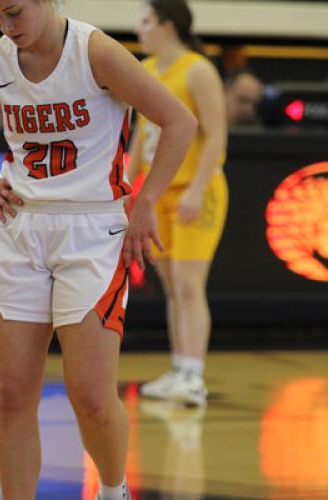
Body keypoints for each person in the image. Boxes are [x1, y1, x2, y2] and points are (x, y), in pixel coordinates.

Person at [0, 1, 196, 499]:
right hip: (19, 226)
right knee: (12, 392)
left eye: (14, 12)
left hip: (93, 228)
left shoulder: (95, 51)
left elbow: (178, 121)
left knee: (92, 397)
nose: (6, 26)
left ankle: (112, 489)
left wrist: (146, 201)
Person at [129, 0, 228, 407]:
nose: (140, 29)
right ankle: (179, 368)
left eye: (146, 21)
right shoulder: (146, 70)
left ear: (168, 26)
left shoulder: (198, 69)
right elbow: (140, 137)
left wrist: (197, 187)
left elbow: (217, 136)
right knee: (171, 287)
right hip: (157, 193)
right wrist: (124, 183)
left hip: (196, 190)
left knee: (189, 286)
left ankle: (194, 374)